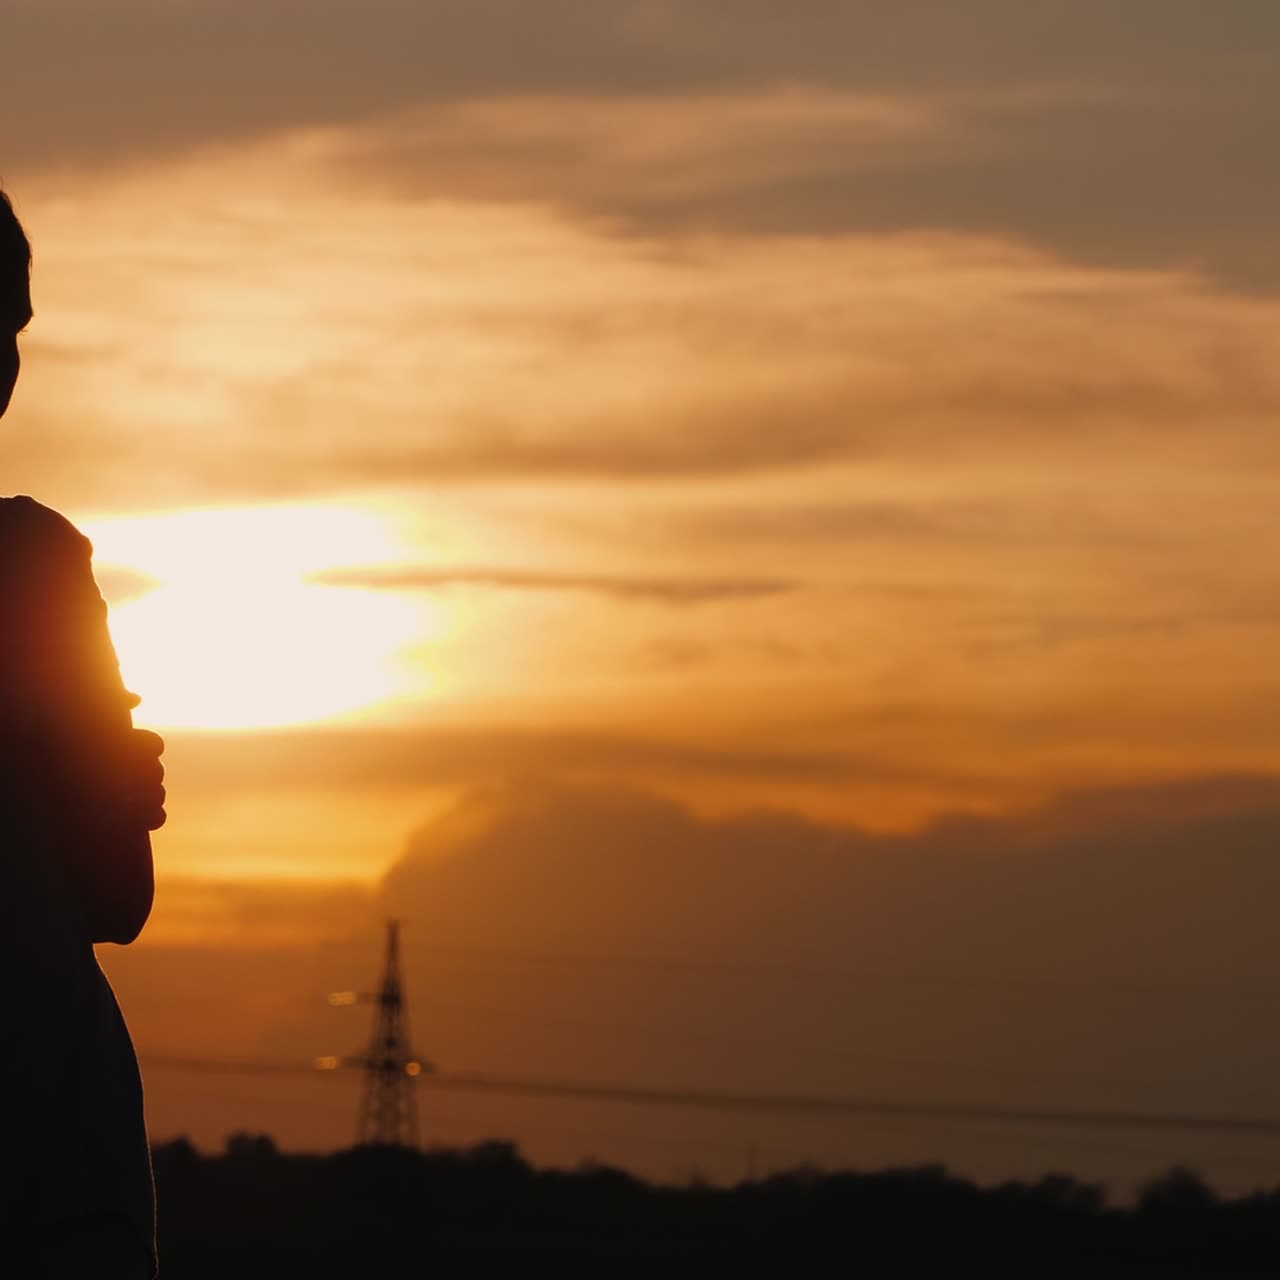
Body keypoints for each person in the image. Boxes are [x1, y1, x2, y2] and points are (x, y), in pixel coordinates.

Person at [0, 190, 167, 1277]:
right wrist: (114, 781)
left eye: (14, 326)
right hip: (45, 1148)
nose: (5, 362)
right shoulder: (30, 565)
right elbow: (118, 892)